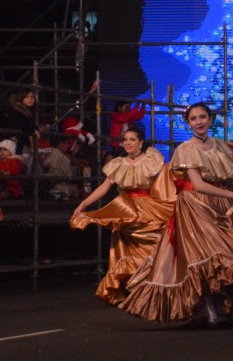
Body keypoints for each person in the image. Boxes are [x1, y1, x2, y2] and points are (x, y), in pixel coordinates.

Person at [119, 102, 233, 327]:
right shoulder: (187, 149)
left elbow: (231, 174)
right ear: (188, 123)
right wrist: (231, 195)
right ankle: (211, 312)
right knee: (206, 259)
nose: (198, 122)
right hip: (196, 207)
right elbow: (198, 185)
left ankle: (220, 309)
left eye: (202, 117)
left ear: (210, 119)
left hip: (220, 205)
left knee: (225, 258)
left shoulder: (220, 145)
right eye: (193, 118)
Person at [70, 127, 175, 305]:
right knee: (127, 253)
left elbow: (166, 181)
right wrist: (84, 203)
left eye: (132, 139)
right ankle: (136, 291)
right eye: (125, 139)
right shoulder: (118, 163)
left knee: (155, 246)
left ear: (141, 142)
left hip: (149, 208)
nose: (127, 142)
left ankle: (158, 286)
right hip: (125, 209)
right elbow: (104, 187)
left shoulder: (152, 159)